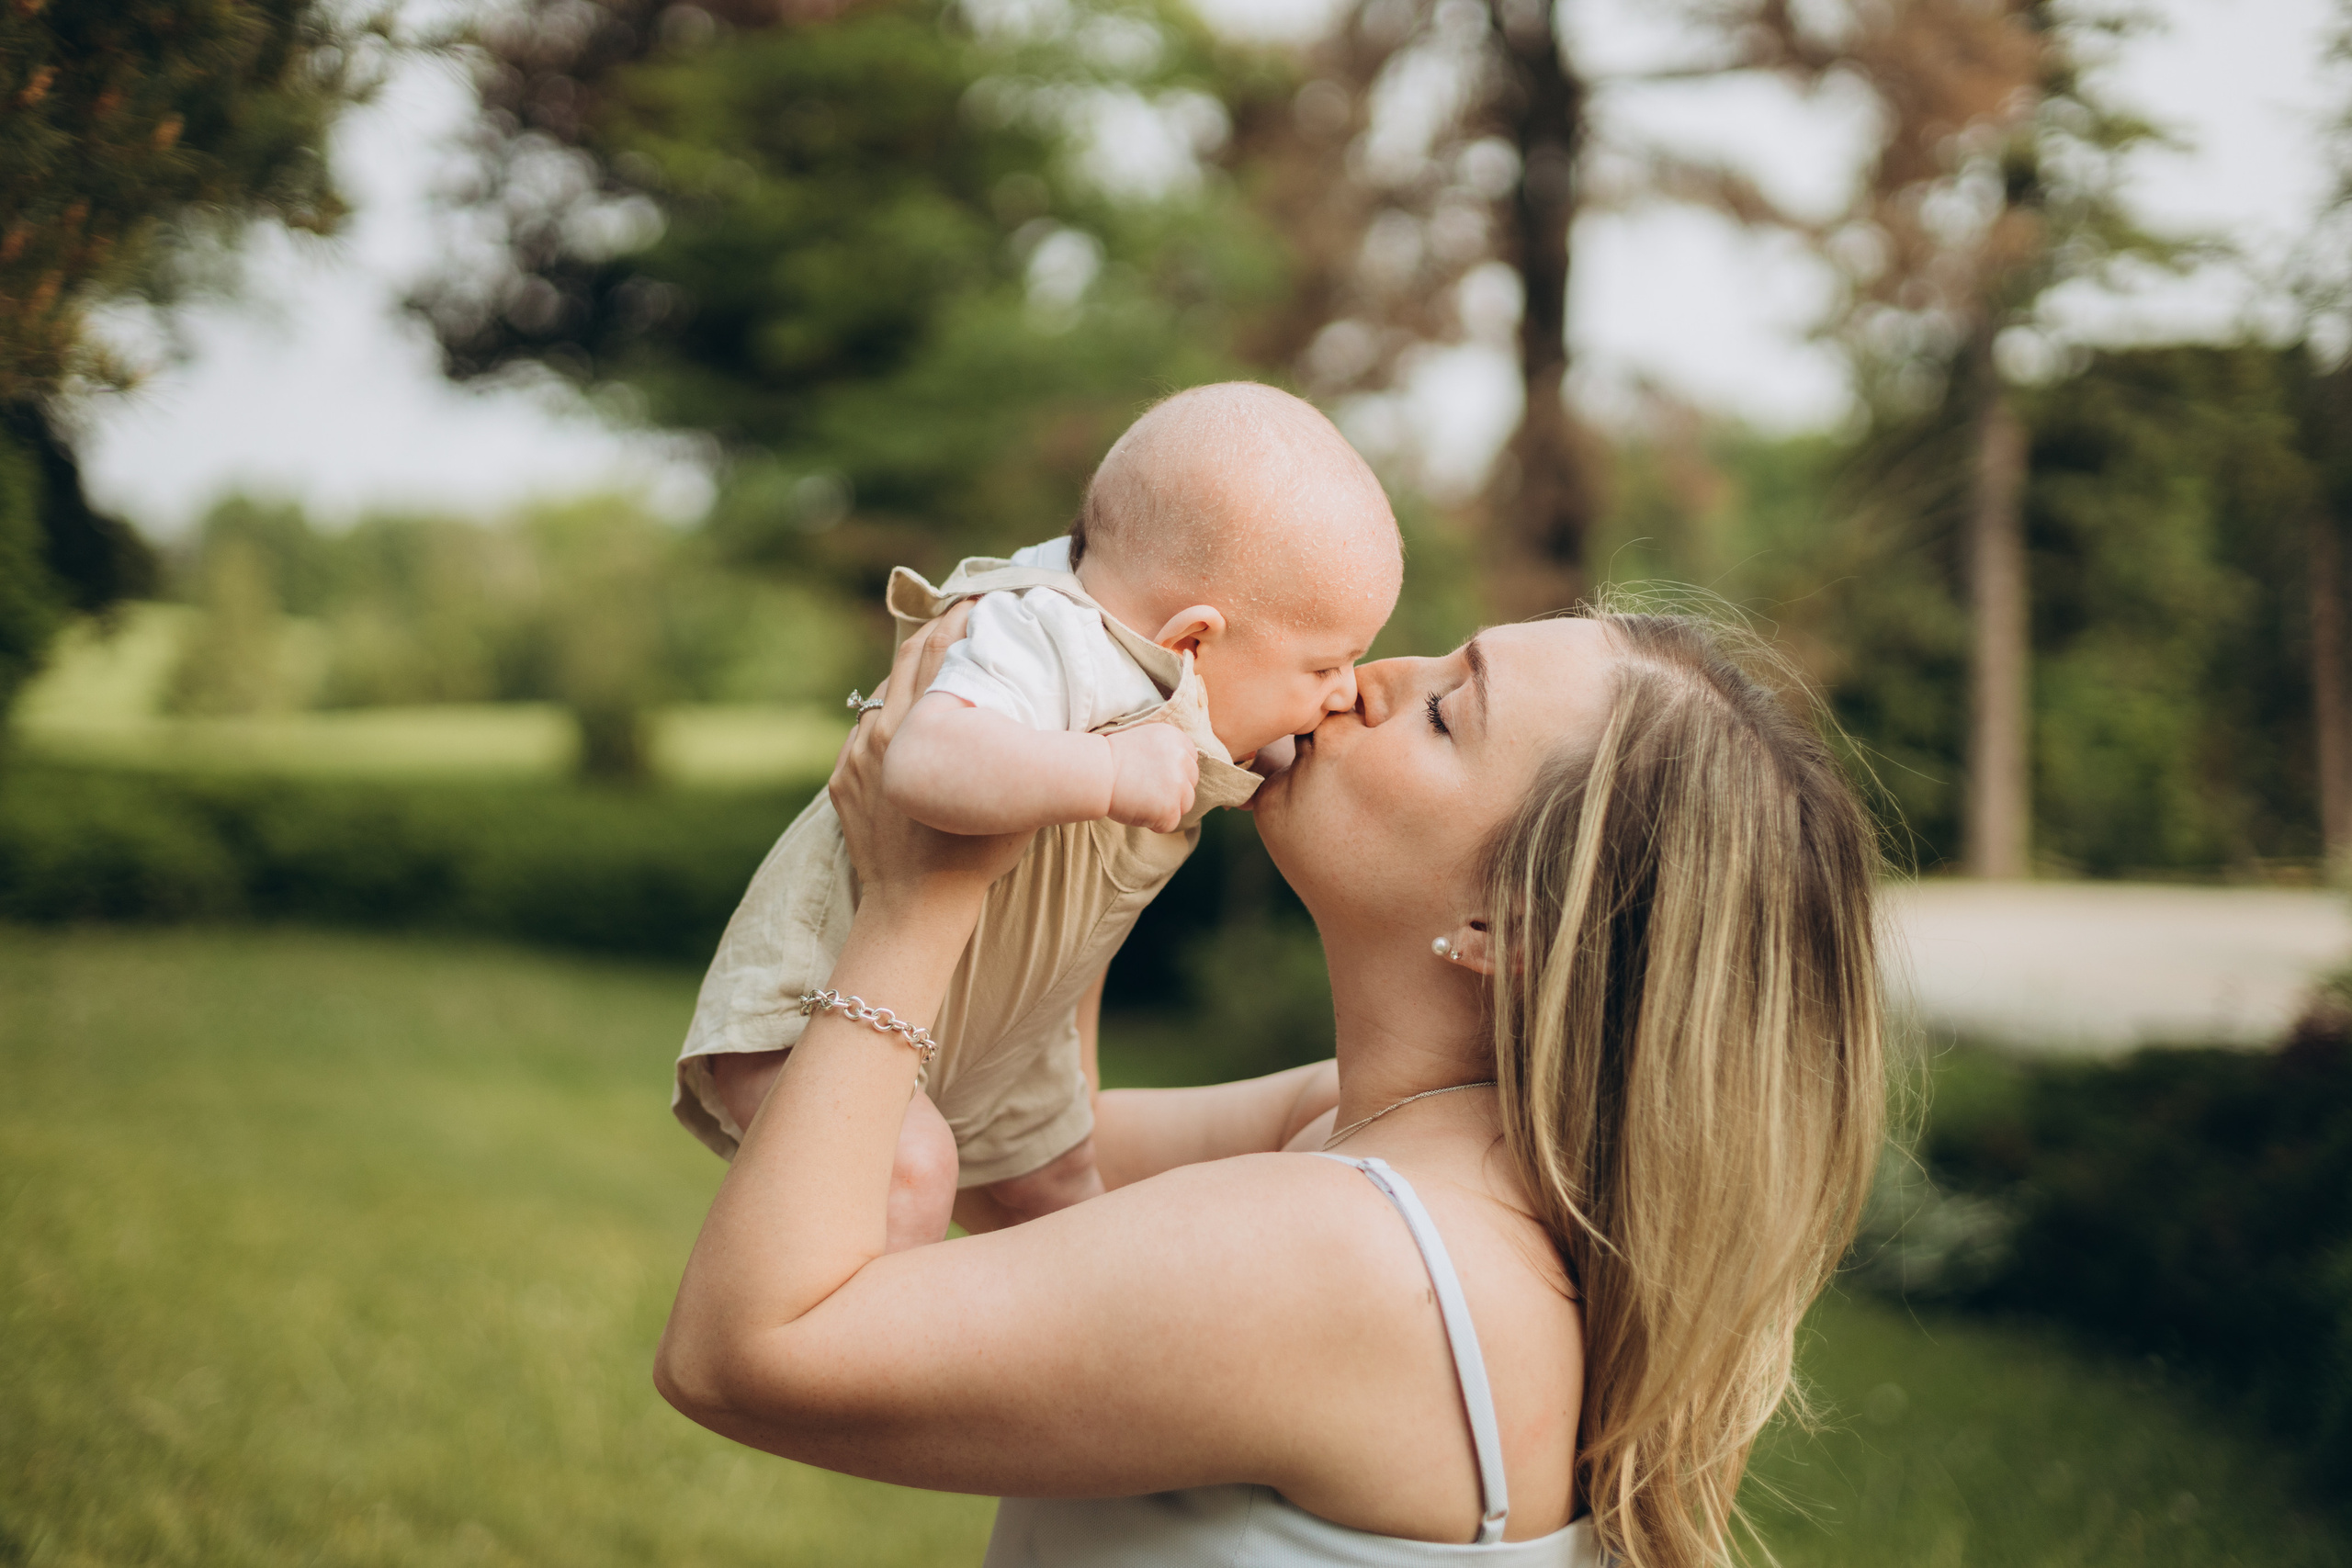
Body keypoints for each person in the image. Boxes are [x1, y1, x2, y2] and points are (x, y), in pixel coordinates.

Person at [656, 600, 1887, 1568]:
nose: (1366, 678)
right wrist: (1085, 815)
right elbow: (1028, 1168)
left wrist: (918, 898)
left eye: (1449, 710)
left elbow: (748, 1348)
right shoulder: (1393, 1144)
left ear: (1506, 920)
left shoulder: (1353, 1253)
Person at [672, 383, 1402, 1248]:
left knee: (1062, 1199)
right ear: (1194, 641)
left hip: (993, 1033)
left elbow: (1241, 748)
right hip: (821, 1004)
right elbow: (928, 758)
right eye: (1327, 663)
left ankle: (1024, 1372)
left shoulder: (1174, 676)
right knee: (906, 1170)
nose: (1346, 688)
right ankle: (856, 1366)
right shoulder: (1047, 636)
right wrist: (1108, 767)